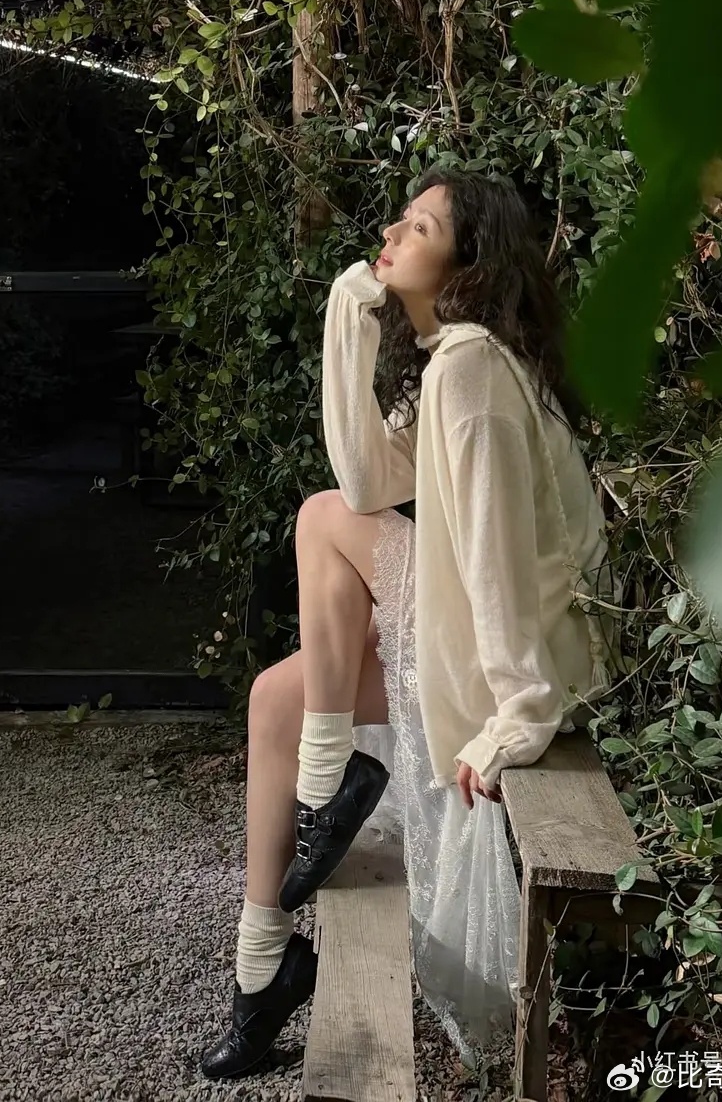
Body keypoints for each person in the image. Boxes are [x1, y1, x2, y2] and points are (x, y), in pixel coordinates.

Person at [200, 167, 617, 1081]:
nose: (391, 234)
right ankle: (262, 964)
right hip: (488, 618)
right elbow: (366, 481)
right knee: (274, 699)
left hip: (536, 650)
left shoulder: (472, 368)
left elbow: (499, 556)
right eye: (399, 219)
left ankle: (326, 783)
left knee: (318, 519)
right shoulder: (448, 362)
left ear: (470, 263)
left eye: (420, 228)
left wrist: (518, 711)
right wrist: (347, 320)